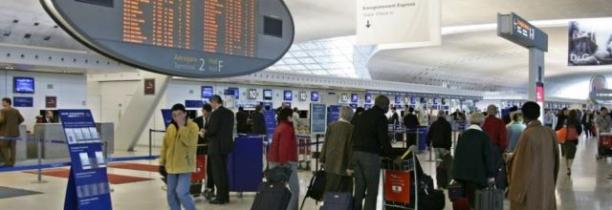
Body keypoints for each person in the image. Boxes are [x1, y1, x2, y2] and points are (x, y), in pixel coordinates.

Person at [508, 102, 559, 210]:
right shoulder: (550, 132)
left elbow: (521, 166)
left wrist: (516, 193)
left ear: (523, 115)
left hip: (531, 186)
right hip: (546, 182)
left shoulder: (527, 134)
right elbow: (556, 161)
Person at [352, 95, 394, 210]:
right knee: (372, 189)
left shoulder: (362, 115)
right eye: (388, 105)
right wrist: (392, 156)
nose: (388, 108)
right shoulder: (381, 117)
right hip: (370, 156)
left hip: (356, 154)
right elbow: (383, 139)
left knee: (359, 188)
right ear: (384, 105)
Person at [159, 103, 199, 210]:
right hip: (171, 167)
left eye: (179, 114)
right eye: (174, 115)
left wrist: (182, 127)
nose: (177, 117)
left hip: (185, 166)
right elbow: (165, 146)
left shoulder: (193, 127)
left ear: (185, 114)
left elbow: (190, 142)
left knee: (182, 193)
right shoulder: (171, 127)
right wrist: (162, 163)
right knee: (171, 194)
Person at [452, 112, 495, 209]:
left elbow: (457, 155)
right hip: (477, 176)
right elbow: (488, 157)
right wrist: (491, 175)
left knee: (463, 203)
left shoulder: (463, 135)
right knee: (476, 203)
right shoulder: (484, 137)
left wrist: (455, 173)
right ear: (482, 122)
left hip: (461, 175)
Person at [205, 95, 235, 204]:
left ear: (215, 101)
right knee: (224, 173)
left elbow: (212, 131)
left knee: (218, 174)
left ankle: (220, 198)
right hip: (226, 147)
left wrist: (204, 133)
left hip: (216, 147)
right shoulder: (230, 113)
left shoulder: (215, 114)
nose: (211, 105)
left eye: (211, 103)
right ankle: (225, 196)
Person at [267, 107, 299, 210]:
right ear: (288, 116)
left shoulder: (280, 126)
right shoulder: (287, 128)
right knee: (295, 190)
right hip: (286, 162)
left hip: (276, 161)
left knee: (277, 189)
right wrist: (283, 164)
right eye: (292, 116)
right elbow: (283, 147)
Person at [320, 106, 354, 193]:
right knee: (343, 194)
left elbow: (325, 144)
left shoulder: (331, 126)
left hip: (330, 164)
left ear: (340, 114)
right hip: (343, 165)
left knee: (329, 190)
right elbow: (351, 150)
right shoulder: (352, 129)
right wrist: (350, 167)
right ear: (351, 116)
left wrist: (322, 159)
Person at [482, 105, 508, 189]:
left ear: (488, 111)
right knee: (498, 170)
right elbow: (503, 137)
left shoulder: (483, 122)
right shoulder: (499, 122)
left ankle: (486, 187)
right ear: (496, 112)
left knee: (485, 168)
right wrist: (502, 149)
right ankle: (499, 190)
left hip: (484, 148)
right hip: (495, 148)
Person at [194, 104, 214, 199]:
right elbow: (193, 133)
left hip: (209, 148)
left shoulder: (213, 121)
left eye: (207, 113)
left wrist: (205, 133)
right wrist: (199, 133)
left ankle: (209, 189)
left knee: (209, 169)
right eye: (204, 112)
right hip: (199, 148)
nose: (205, 114)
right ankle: (197, 189)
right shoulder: (197, 120)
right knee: (199, 168)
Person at [0, 98, 24, 167]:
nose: (2, 103)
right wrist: (14, 125)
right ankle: (12, 163)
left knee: (3, 147)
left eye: (3, 102)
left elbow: (1, 121)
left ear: (8, 103)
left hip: (5, 133)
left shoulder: (3, 111)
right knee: (13, 148)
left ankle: (7, 162)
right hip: (14, 133)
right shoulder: (16, 111)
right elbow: (22, 119)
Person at [562, 110, 582, 176]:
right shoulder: (577, 121)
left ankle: (567, 167)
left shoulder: (566, 120)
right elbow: (580, 130)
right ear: (576, 114)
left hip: (565, 139)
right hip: (573, 140)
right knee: (572, 155)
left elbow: (563, 129)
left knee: (566, 154)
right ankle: (569, 167)